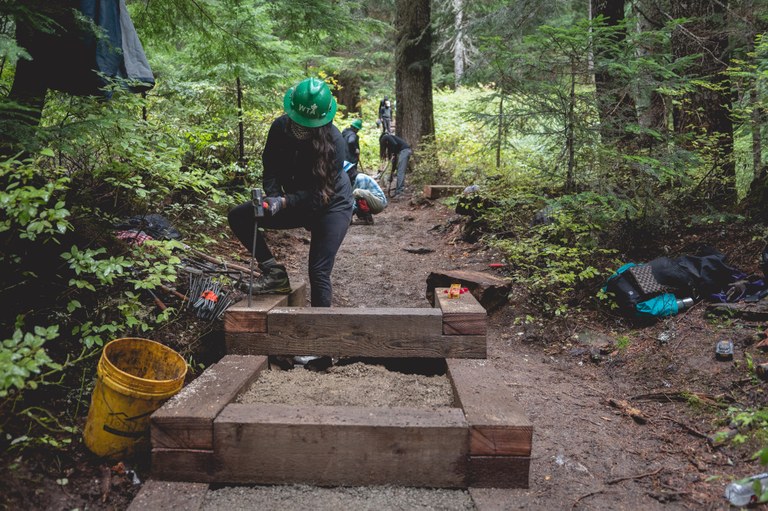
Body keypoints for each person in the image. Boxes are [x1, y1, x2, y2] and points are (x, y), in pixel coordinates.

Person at [228, 77, 353, 307]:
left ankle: (320, 331)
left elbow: (320, 195)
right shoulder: (279, 128)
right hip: (292, 201)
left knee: (318, 272)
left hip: (332, 205)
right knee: (239, 216)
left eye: (308, 124)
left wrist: (284, 202)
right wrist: (273, 197)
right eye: (298, 121)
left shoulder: (335, 141)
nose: (301, 128)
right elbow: (271, 168)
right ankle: (274, 273)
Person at [379, 132, 412, 199]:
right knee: (399, 171)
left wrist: (393, 154)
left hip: (405, 151)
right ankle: (398, 191)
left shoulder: (386, 137)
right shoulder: (391, 145)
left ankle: (400, 192)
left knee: (400, 172)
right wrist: (392, 171)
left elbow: (395, 144)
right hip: (403, 152)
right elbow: (394, 161)